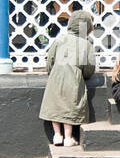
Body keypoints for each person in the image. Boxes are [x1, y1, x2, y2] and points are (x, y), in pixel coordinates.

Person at [39, 10, 96, 147]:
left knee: (56, 104)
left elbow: (50, 60)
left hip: (56, 75)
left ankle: (57, 135)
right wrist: (84, 75)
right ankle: (68, 137)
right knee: (70, 105)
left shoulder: (60, 39)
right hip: (74, 76)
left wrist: (52, 72)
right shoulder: (86, 44)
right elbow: (89, 68)